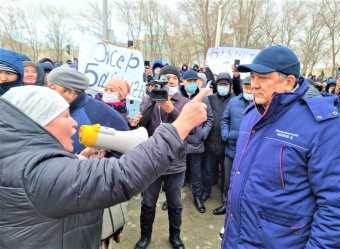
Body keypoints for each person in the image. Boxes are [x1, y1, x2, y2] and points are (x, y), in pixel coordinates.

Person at [0, 85, 210, 248]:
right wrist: (180, 126)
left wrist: (78, 162)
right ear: (41, 122)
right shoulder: (33, 172)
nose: (74, 123)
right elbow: (120, 176)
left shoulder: (21, 157)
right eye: (65, 116)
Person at [222, 45, 340, 248]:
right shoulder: (252, 114)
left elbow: (337, 208)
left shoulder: (326, 127)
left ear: (289, 82)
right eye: (253, 77)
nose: (254, 84)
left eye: (263, 78)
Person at [135, 65, 192, 249]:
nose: (169, 81)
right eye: (165, 77)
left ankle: (175, 236)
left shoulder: (184, 102)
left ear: (178, 81)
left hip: (176, 163)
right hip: (151, 162)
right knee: (148, 203)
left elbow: (191, 130)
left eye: (173, 78)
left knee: (175, 204)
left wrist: (170, 109)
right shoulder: (147, 99)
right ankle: (145, 236)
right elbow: (140, 126)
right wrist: (153, 101)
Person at [47, 67, 129, 155]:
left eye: (52, 88)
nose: (47, 92)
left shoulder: (101, 112)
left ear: (70, 92)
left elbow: (124, 153)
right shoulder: (50, 111)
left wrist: (89, 161)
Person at [213, 76, 253, 216]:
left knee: (247, 181)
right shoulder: (234, 101)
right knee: (228, 179)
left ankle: (241, 209)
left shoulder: (262, 104)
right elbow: (225, 119)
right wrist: (226, 135)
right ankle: (226, 203)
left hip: (251, 152)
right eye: (246, 86)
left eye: (251, 86)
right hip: (231, 148)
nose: (249, 90)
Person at [179, 70, 214, 213]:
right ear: (183, 82)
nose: (192, 84)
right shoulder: (177, 97)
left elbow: (210, 119)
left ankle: (197, 197)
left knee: (196, 173)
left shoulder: (203, 98)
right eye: (190, 81)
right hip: (179, 143)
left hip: (196, 143)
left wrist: (202, 134)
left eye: (195, 81)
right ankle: (172, 199)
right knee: (177, 173)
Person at [202, 73, 235, 203]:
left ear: (230, 86)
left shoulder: (235, 101)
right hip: (210, 142)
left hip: (226, 144)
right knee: (208, 170)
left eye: (225, 85)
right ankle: (206, 191)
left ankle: (224, 195)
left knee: (226, 174)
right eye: (220, 84)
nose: (223, 87)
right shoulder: (210, 99)